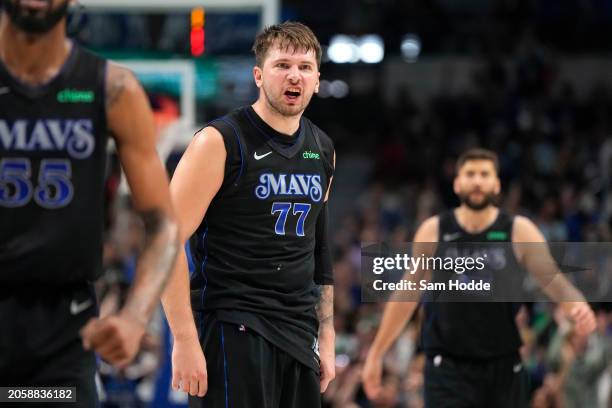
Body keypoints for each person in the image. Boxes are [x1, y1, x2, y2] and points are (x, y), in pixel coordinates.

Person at [0, 1, 179, 406]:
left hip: (63, 328)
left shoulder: (112, 89)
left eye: (305, 67)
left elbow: (164, 222)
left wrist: (135, 317)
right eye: (285, 64)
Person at [161, 21, 336, 408]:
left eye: (305, 67)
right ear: (259, 75)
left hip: (298, 330)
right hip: (232, 326)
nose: (294, 75)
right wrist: (184, 340)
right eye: (282, 65)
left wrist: (327, 334)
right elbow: (165, 243)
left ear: (318, 80)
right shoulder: (219, 141)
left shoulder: (322, 148)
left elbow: (319, 249)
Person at [362, 148, 596, 408]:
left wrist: (576, 304)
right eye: (470, 174)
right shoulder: (434, 231)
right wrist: (377, 352)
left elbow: (553, 280)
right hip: (447, 368)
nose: (477, 181)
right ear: (457, 183)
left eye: (484, 174)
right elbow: (407, 295)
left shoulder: (518, 230)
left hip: (503, 367)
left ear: (496, 184)